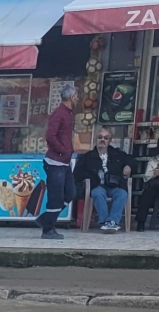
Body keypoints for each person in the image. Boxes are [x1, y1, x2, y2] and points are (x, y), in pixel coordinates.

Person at [75, 127, 134, 233]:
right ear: (95, 139)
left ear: (110, 141)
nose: (102, 140)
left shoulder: (117, 154)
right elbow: (77, 173)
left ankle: (111, 222)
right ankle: (107, 221)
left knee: (122, 194)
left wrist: (129, 166)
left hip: (114, 185)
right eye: (100, 137)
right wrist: (92, 176)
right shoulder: (87, 157)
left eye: (106, 138)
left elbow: (133, 160)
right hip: (97, 185)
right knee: (98, 193)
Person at [38, 86, 77, 240]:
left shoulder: (67, 113)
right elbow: (50, 136)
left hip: (63, 162)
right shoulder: (59, 113)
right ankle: (48, 229)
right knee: (55, 197)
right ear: (72, 97)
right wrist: (63, 150)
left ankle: (44, 219)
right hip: (55, 162)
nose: (78, 99)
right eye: (76, 96)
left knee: (71, 193)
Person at [136, 151, 159, 230]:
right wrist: (155, 173)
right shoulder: (154, 160)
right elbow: (146, 177)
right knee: (147, 194)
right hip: (155, 183)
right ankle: (140, 222)